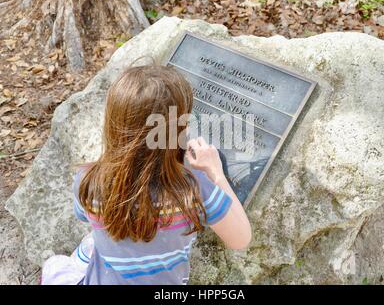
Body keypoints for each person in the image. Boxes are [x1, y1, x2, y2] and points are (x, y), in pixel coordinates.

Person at [41, 64, 252, 285]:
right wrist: (216, 174)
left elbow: (85, 215)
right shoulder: (194, 188)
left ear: (114, 124)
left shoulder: (87, 180)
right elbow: (241, 238)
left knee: (57, 264)